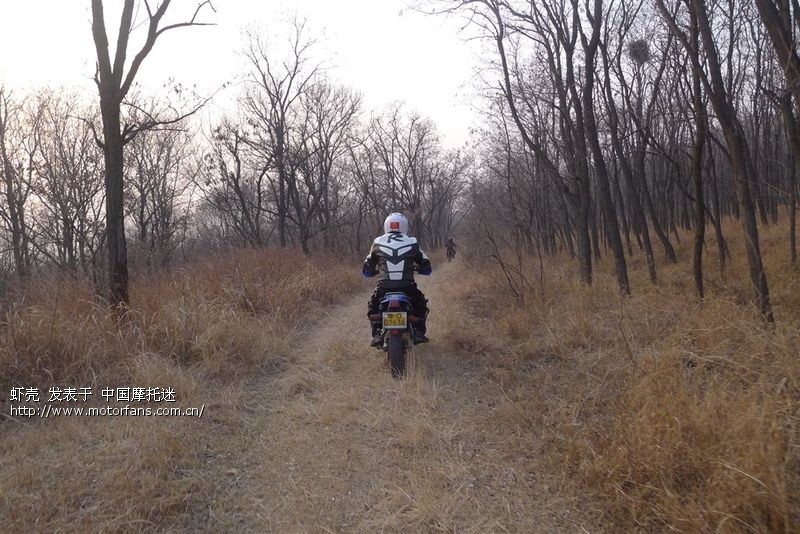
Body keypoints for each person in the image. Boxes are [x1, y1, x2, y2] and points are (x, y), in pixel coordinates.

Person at [362, 212, 432, 346]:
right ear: (404, 226)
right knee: (421, 305)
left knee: (373, 307)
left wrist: (372, 272)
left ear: (386, 225)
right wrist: (421, 269)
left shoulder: (378, 242)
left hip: (384, 287)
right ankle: (418, 332)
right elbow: (426, 266)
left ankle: (377, 333)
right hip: (407, 287)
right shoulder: (412, 242)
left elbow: (367, 267)